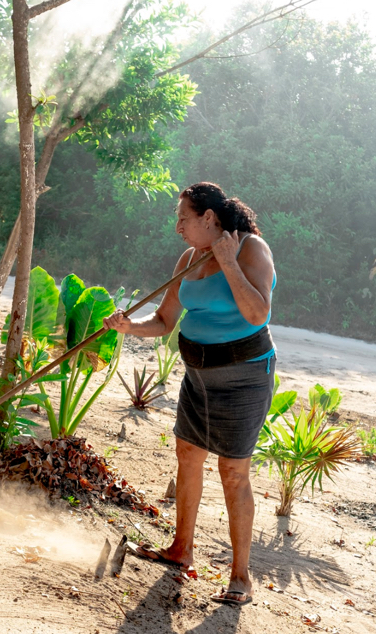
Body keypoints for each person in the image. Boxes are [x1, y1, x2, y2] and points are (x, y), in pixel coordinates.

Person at [104, 182, 276, 607]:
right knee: (187, 454)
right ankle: (181, 549)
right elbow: (164, 320)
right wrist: (130, 327)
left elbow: (258, 313)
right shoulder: (187, 258)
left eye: (183, 218)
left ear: (209, 219)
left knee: (233, 472)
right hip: (198, 375)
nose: (178, 226)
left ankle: (241, 577)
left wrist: (228, 262)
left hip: (244, 376)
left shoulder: (252, 250)